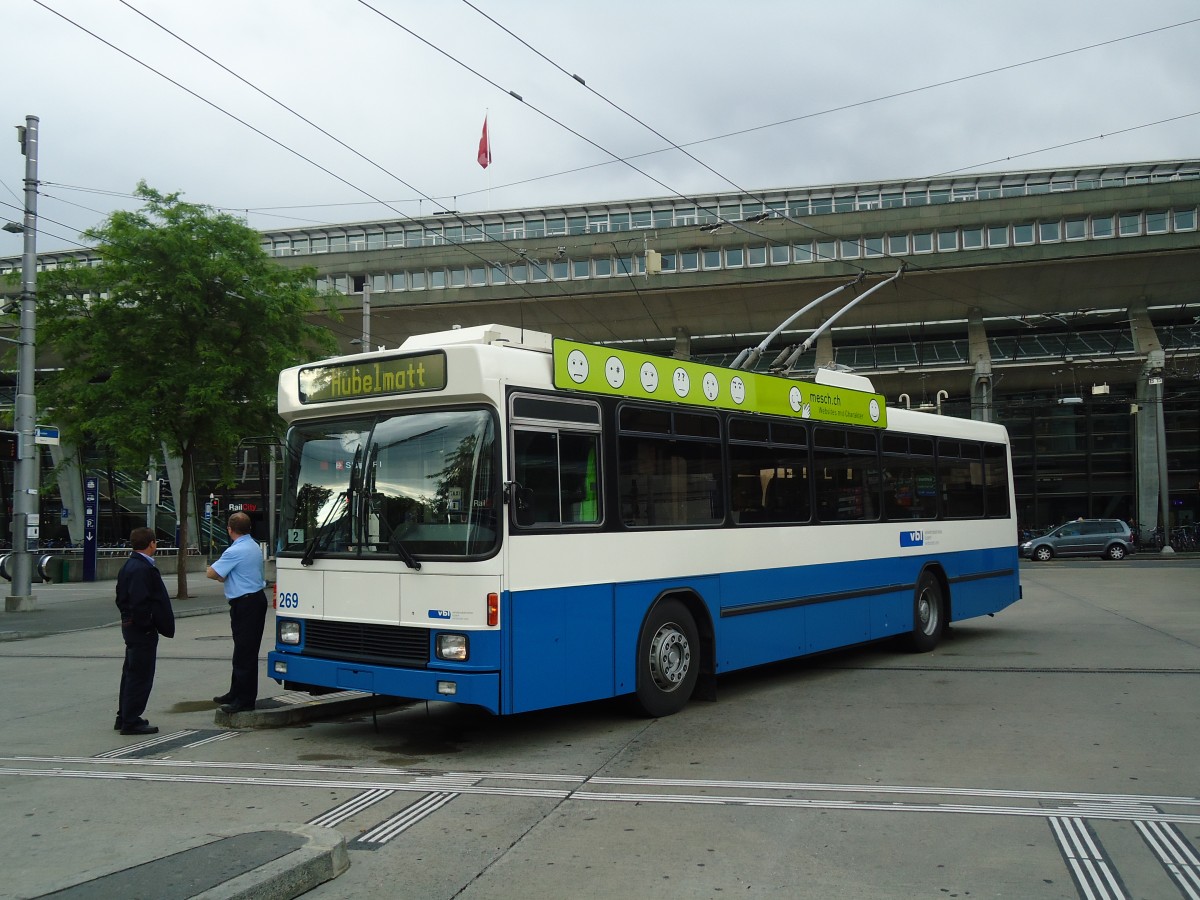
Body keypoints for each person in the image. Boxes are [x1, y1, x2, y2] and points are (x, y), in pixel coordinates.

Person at [115, 527, 175, 735]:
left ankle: (124, 715)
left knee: (131, 673)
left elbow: (121, 598)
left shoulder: (129, 566)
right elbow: (140, 602)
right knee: (140, 675)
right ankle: (131, 720)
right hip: (141, 630)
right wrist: (147, 623)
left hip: (131, 627)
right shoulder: (142, 568)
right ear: (152, 543)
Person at [206, 512, 268, 714]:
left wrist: (218, 574)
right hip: (254, 600)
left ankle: (245, 699)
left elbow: (212, 572)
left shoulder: (235, 550)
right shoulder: (253, 546)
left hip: (245, 603)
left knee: (244, 653)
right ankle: (236, 692)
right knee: (243, 650)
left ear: (229, 529)